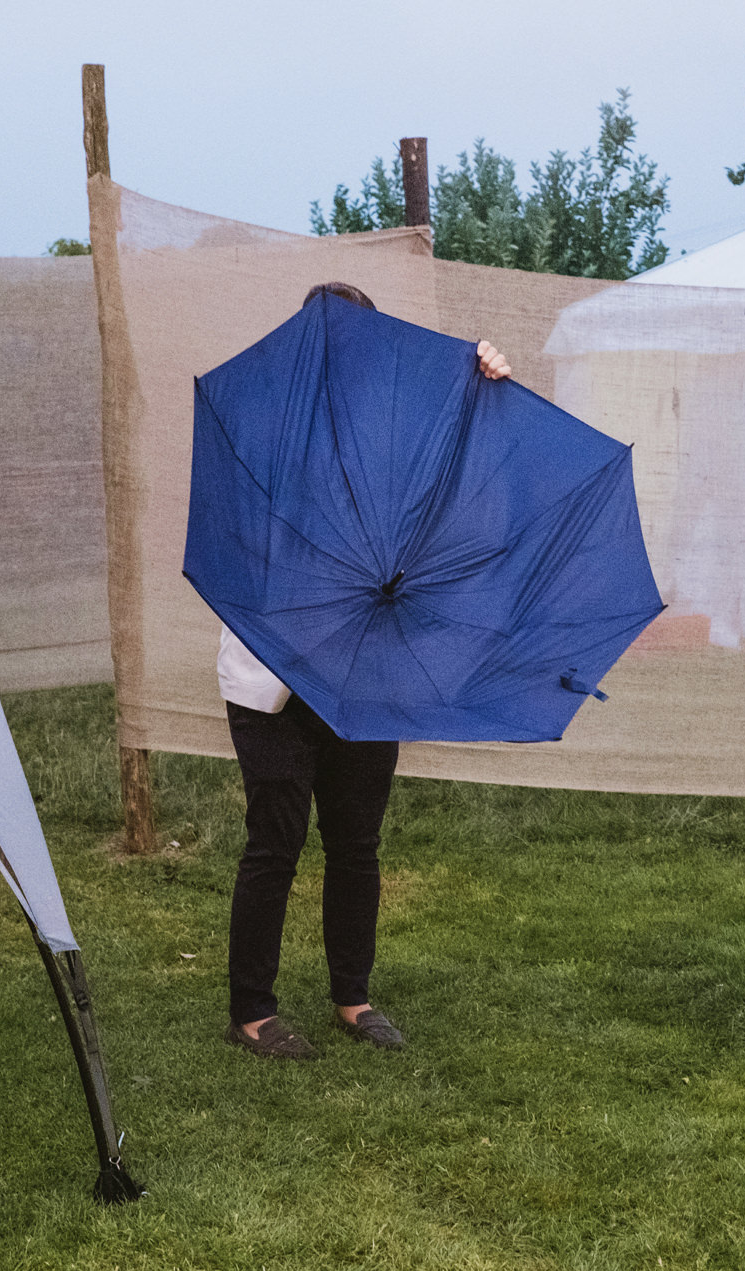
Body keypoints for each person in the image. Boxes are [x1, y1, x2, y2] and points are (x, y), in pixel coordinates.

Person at [221, 280, 511, 1061]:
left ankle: (353, 995)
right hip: (275, 681)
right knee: (274, 845)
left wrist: (480, 387)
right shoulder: (262, 423)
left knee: (356, 844)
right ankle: (252, 1010)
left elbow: (455, 481)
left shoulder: (394, 431)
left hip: (363, 677)